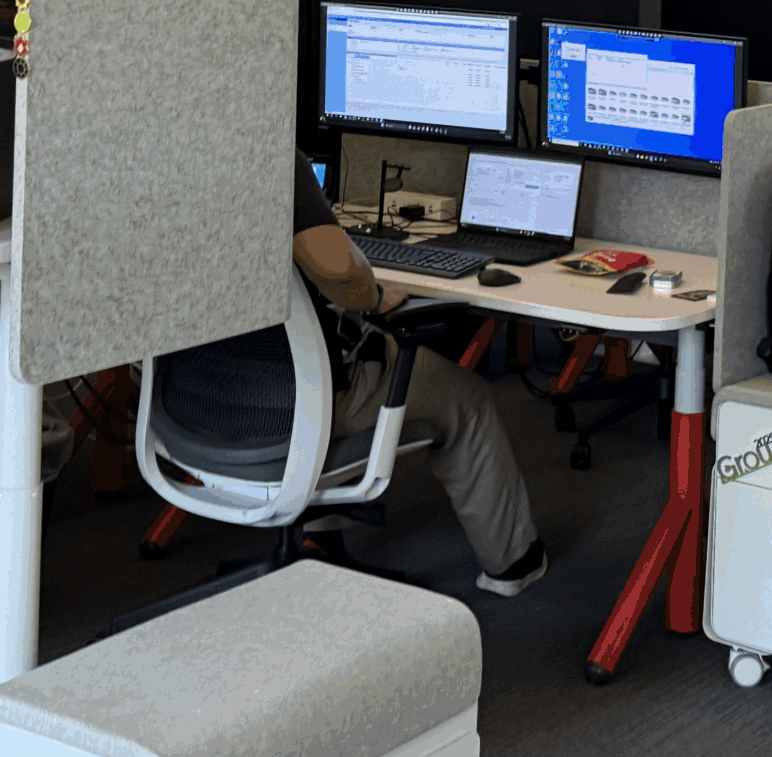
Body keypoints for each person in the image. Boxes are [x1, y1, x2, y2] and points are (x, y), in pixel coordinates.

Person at [166, 156, 545, 595]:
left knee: (317, 358)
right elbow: (339, 272)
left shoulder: (156, 160)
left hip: (188, 411)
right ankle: (514, 565)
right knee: (466, 399)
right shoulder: (273, 158)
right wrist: (376, 296)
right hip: (291, 417)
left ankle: (321, 536)